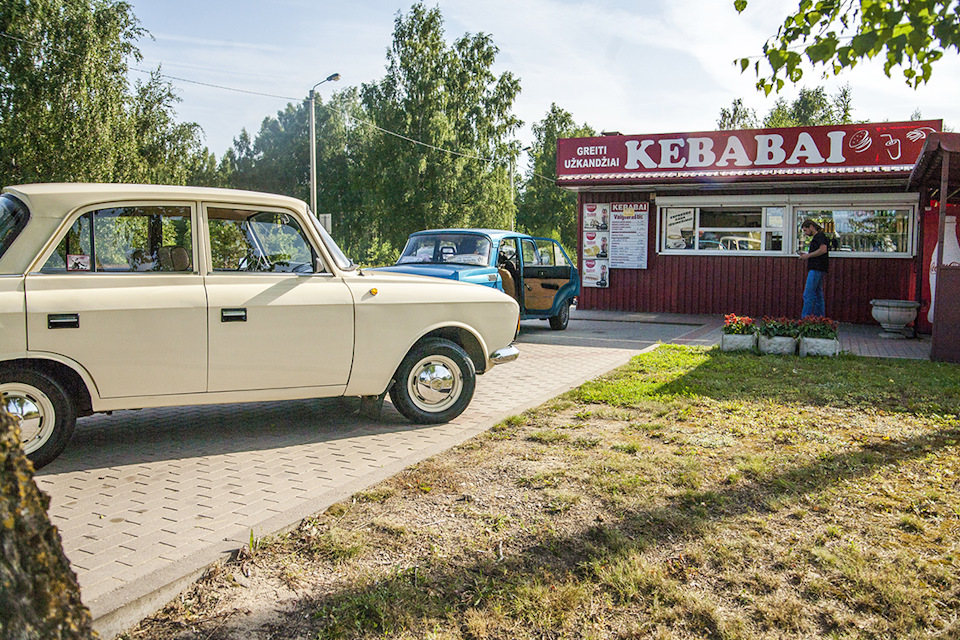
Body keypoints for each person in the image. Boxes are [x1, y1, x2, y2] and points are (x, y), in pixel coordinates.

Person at [798, 219, 829, 317]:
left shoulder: (820, 236)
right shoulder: (818, 237)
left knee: (808, 294)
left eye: (806, 230)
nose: (806, 233)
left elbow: (823, 249)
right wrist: (807, 254)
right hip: (820, 268)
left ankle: (805, 319)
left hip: (816, 268)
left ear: (811, 226)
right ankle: (819, 319)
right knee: (818, 295)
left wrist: (808, 255)